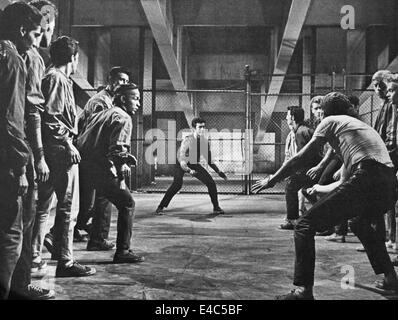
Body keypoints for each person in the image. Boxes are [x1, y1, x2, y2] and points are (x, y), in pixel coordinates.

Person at [252, 92, 398, 300]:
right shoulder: (356, 131)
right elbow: (343, 184)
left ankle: (303, 291)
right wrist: (318, 190)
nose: (318, 117)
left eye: (320, 112)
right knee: (359, 223)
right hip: (388, 184)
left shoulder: (330, 121)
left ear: (327, 112)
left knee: (304, 225)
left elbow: (301, 158)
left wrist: (272, 179)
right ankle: (391, 279)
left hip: (367, 176)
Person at [0, 1, 55, 300]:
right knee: (14, 230)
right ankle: (15, 288)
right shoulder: (15, 58)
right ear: (23, 29)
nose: (41, 39)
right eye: (37, 32)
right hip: (9, 157)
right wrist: (27, 162)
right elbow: (15, 117)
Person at [36, 36, 96, 277]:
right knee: (68, 209)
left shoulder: (51, 77)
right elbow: (50, 118)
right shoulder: (57, 79)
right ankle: (66, 262)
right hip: (60, 150)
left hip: (50, 150)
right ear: (73, 58)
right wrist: (67, 143)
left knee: (43, 207)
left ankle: (33, 258)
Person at [77, 84, 144, 263]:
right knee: (127, 203)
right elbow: (117, 151)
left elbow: (82, 136)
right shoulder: (123, 117)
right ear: (123, 98)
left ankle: (95, 240)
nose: (138, 103)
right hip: (100, 168)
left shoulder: (102, 113)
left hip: (83, 167)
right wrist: (122, 172)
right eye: (135, 98)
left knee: (101, 200)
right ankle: (123, 251)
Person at [74, 66, 131, 247]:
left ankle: (93, 235)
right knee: (99, 199)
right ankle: (93, 237)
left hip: (91, 153)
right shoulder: (102, 101)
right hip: (91, 153)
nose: (123, 84)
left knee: (93, 200)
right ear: (110, 80)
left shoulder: (111, 101)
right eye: (121, 80)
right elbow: (97, 131)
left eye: (126, 82)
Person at [27, 0, 57, 275]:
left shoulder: (40, 55)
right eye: (44, 18)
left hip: (35, 142)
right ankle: (30, 260)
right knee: (35, 207)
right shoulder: (33, 57)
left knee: (40, 207)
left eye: (51, 19)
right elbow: (34, 110)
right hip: (31, 144)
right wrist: (39, 155)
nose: (48, 24)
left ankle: (33, 254)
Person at [155, 117, 227, 215]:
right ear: (194, 129)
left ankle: (216, 207)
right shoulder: (187, 141)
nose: (202, 129)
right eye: (199, 127)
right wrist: (189, 171)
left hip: (194, 163)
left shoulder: (204, 142)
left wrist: (219, 171)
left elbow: (209, 160)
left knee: (211, 183)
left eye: (204, 127)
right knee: (177, 185)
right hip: (181, 163)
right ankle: (160, 207)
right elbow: (182, 161)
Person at [278, 106, 320, 230]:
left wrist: (292, 172)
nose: (286, 118)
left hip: (310, 169)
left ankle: (292, 220)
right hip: (312, 168)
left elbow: (303, 157)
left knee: (291, 186)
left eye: (288, 116)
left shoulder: (301, 132)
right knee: (307, 191)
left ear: (293, 117)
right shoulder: (302, 130)